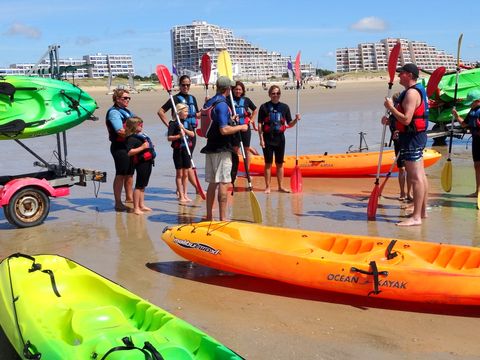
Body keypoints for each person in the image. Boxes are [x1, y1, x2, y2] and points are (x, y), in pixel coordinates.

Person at [383, 63, 429, 226]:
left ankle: (416, 217)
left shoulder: (411, 93)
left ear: (409, 75)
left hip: (412, 138)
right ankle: (421, 212)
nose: (398, 75)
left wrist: (390, 108)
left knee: (415, 177)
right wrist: (390, 120)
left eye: (401, 73)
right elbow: (406, 118)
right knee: (420, 176)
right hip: (416, 136)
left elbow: (407, 119)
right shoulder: (417, 91)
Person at [200, 76, 248, 221]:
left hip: (210, 147)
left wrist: (230, 120)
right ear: (228, 89)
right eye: (231, 88)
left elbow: (216, 122)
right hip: (222, 149)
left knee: (212, 183)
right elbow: (224, 130)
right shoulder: (221, 104)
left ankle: (209, 216)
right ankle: (223, 218)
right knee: (223, 182)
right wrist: (241, 126)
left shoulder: (210, 101)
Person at [157, 75, 200, 193]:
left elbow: (196, 115)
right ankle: (195, 188)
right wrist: (171, 126)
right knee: (187, 163)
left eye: (188, 85)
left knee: (188, 161)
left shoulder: (192, 98)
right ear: (179, 85)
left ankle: (181, 189)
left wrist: (205, 108)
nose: (186, 87)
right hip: (180, 135)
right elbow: (160, 112)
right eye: (183, 85)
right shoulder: (174, 99)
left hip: (191, 133)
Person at [257, 85, 301, 194]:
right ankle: (268, 187)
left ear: (280, 94)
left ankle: (280, 186)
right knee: (268, 163)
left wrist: (296, 119)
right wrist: (261, 139)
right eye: (273, 93)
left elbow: (289, 124)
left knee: (279, 163)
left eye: (277, 93)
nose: (275, 95)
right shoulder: (264, 107)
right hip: (267, 138)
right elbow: (259, 124)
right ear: (269, 94)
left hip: (280, 138)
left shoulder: (285, 107)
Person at [106, 89, 134, 211]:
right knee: (121, 174)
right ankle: (118, 202)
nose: (127, 100)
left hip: (129, 146)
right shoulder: (114, 113)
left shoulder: (126, 111)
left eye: (129, 98)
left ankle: (129, 198)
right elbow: (120, 131)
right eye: (125, 98)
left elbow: (136, 124)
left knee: (130, 174)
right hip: (119, 147)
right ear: (117, 99)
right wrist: (135, 134)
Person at [124, 116, 156, 215]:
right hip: (140, 163)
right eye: (139, 124)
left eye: (142, 124)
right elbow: (129, 152)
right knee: (138, 186)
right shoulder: (131, 138)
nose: (142, 126)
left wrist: (150, 147)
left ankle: (141, 205)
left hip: (148, 162)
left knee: (143, 185)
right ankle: (136, 207)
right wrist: (143, 147)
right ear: (134, 126)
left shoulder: (140, 136)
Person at [452, 89, 480, 197]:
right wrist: (456, 115)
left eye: (471, 103)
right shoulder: (472, 111)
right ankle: (477, 191)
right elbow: (464, 124)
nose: (470, 105)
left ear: (478, 100)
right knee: (477, 165)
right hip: (476, 141)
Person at [385, 92, 412, 202]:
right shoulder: (392, 116)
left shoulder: (405, 114)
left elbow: (408, 124)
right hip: (397, 144)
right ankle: (402, 192)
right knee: (401, 169)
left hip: (407, 143)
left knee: (409, 169)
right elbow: (390, 123)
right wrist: (386, 121)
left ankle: (409, 193)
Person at [168, 103, 195, 203]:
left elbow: (192, 134)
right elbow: (169, 138)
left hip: (186, 150)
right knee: (179, 174)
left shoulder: (187, 122)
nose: (187, 113)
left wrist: (184, 130)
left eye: (187, 111)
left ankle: (185, 194)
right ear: (179, 112)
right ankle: (181, 195)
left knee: (186, 173)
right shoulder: (173, 123)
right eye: (185, 111)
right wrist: (179, 136)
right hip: (178, 151)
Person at [232, 81, 258, 173]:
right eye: (236, 89)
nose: (238, 91)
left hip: (245, 127)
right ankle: (234, 171)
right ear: (233, 90)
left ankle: (247, 171)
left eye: (240, 89)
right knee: (235, 149)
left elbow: (255, 110)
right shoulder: (229, 99)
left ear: (242, 91)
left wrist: (252, 120)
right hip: (234, 128)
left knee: (246, 149)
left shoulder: (246, 100)